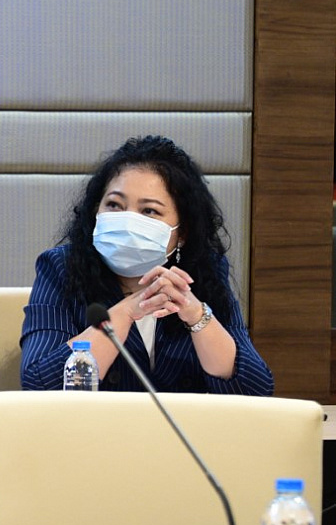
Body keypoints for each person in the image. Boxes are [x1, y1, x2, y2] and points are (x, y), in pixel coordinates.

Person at [20, 135, 272, 395]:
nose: (128, 221)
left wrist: (197, 316)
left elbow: (255, 391)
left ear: (182, 231)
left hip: (181, 422)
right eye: (114, 205)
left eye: (149, 211)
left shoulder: (203, 271)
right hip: (98, 422)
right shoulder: (62, 267)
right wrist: (127, 312)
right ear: (95, 212)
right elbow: (40, 385)